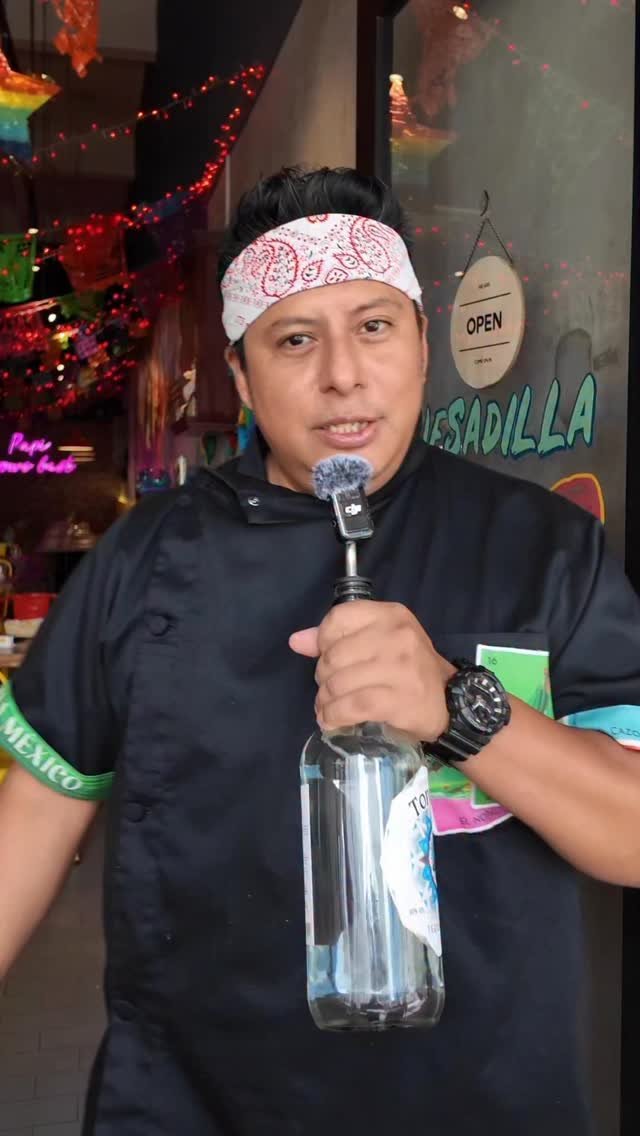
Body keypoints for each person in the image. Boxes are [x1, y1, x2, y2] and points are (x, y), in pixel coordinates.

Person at [1, 166, 640, 1136]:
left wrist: (458, 707)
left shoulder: (543, 547)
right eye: (295, 339)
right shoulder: (145, 559)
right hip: (197, 1103)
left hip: (485, 1101)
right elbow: (33, 822)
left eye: (374, 326)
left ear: (421, 341)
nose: (343, 374)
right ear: (240, 374)